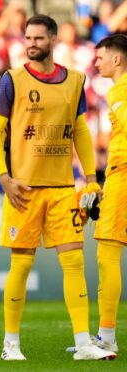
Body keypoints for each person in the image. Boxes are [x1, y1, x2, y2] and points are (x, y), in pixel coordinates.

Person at [0, 14, 116, 361]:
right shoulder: (11, 79)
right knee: (21, 266)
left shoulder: (75, 81)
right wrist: (4, 178)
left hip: (61, 188)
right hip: (23, 189)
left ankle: (84, 343)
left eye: (38, 38)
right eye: (27, 37)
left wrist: (90, 177)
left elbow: (81, 131)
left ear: (54, 40)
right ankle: (10, 344)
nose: (31, 44)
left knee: (74, 263)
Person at [90, 34, 127, 352]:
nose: (96, 62)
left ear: (117, 59)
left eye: (100, 56)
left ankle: (107, 337)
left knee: (108, 254)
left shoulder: (120, 89)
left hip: (124, 174)